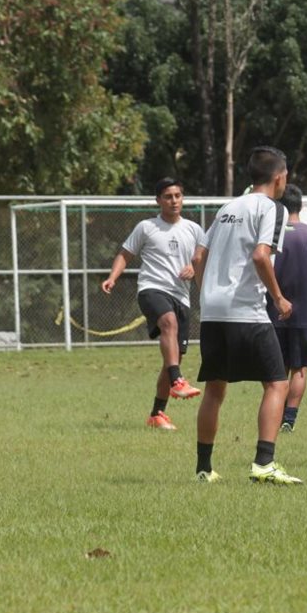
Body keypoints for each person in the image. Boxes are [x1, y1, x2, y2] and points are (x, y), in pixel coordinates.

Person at [191, 146, 303, 484]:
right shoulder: (272, 208)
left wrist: (207, 294)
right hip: (245, 311)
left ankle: (204, 469)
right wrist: (280, 298)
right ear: (280, 176)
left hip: (212, 311)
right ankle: (264, 462)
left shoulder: (228, 207)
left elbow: (198, 257)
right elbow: (260, 256)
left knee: (215, 389)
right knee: (277, 384)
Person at [101, 177, 205, 430]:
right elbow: (125, 254)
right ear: (158, 200)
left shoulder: (194, 229)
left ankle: (157, 413)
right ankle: (177, 381)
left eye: (178, 196)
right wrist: (112, 277)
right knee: (167, 323)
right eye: (168, 196)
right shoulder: (146, 227)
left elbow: (201, 262)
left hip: (181, 296)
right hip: (152, 289)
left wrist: (194, 271)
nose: (174, 201)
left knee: (174, 357)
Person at [268, 184, 307, 433]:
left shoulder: (270, 236)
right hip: (305, 311)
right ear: (300, 206)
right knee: (300, 368)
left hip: (273, 310)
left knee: (278, 368)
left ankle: (275, 413)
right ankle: (289, 420)